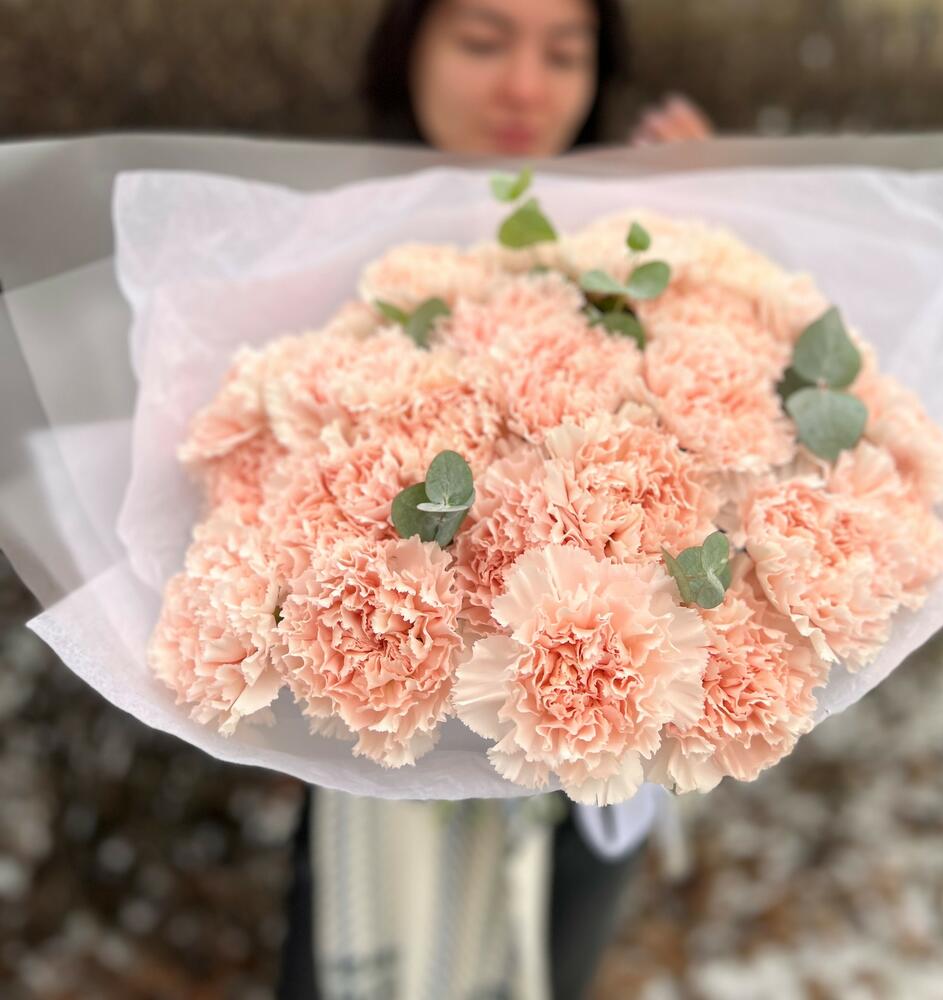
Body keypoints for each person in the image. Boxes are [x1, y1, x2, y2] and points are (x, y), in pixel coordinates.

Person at [278, 3, 710, 997]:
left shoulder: (631, 241)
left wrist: (713, 229)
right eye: (483, 42)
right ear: (410, 43)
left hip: (601, 768)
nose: (524, 86)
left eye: (564, 53)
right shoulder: (326, 245)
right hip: (379, 770)